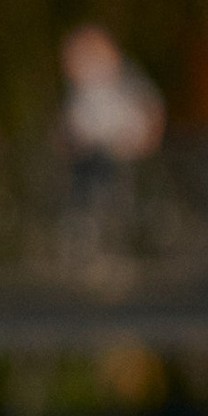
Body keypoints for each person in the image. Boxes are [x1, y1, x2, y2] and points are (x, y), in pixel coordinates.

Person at [59, 26, 165, 270]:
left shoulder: (123, 82)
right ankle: (94, 254)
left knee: (116, 203)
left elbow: (150, 111)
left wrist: (143, 140)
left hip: (120, 156)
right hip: (93, 157)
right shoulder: (84, 92)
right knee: (92, 205)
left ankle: (119, 250)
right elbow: (75, 126)